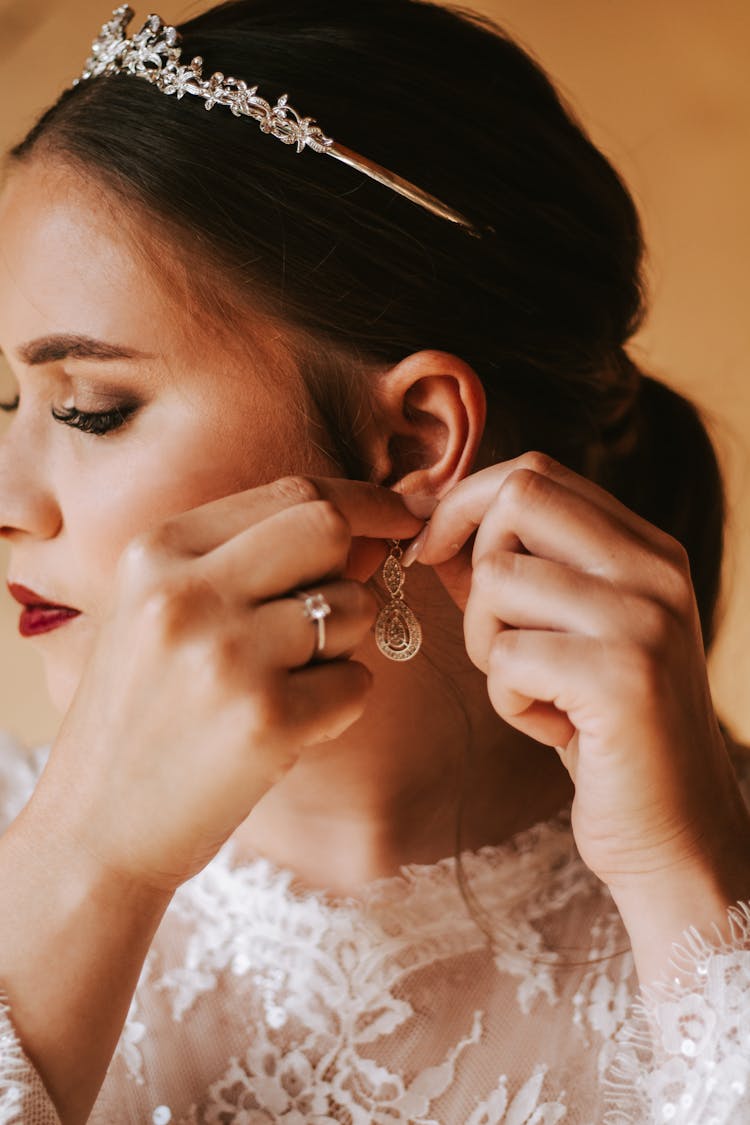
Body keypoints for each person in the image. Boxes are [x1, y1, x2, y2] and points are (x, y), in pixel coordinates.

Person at [0, 1, 749, 1122]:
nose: (8, 500)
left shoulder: (711, 871)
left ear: (414, 442)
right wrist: (87, 862)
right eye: (6, 402)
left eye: (91, 408)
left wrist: (693, 892)